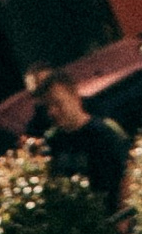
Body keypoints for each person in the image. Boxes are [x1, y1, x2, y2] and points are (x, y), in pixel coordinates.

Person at [29, 66, 132, 213]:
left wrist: (124, 216)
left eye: (58, 103)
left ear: (75, 97)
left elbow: (127, 175)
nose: (52, 111)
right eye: (47, 107)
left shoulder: (105, 132)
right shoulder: (52, 141)